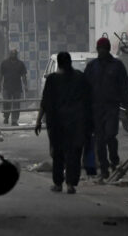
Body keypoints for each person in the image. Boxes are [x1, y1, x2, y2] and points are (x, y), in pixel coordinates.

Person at [35, 52, 92, 194]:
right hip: (76, 122)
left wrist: (38, 121)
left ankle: (58, 184)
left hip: (57, 124)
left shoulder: (52, 79)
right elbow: (88, 101)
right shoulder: (79, 77)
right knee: (74, 153)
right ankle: (71, 184)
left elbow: (45, 102)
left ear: (58, 63)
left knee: (58, 154)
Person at [83, 36, 128, 180]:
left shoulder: (117, 66)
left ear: (108, 49)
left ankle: (114, 161)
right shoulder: (92, 67)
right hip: (95, 108)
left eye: (104, 49)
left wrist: (127, 105)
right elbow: (84, 88)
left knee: (110, 135)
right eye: (99, 49)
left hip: (112, 107)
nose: (101, 51)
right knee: (99, 140)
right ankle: (104, 169)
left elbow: (124, 86)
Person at [0, 48, 27, 125]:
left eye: (14, 53)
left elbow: (24, 76)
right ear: (9, 54)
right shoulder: (4, 63)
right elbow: (0, 75)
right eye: (12, 53)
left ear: (16, 54)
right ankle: (6, 117)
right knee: (6, 102)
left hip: (17, 88)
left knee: (16, 104)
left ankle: (14, 120)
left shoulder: (21, 64)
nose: (13, 55)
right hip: (6, 87)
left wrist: (25, 85)